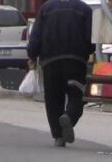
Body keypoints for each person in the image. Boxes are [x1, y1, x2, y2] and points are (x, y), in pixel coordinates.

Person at [27, 0, 95, 147]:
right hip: (75, 62)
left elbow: (36, 35)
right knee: (77, 94)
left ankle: (58, 136)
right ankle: (69, 116)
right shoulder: (84, 9)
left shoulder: (46, 8)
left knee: (53, 98)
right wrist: (87, 52)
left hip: (50, 62)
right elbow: (91, 37)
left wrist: (32, 55)